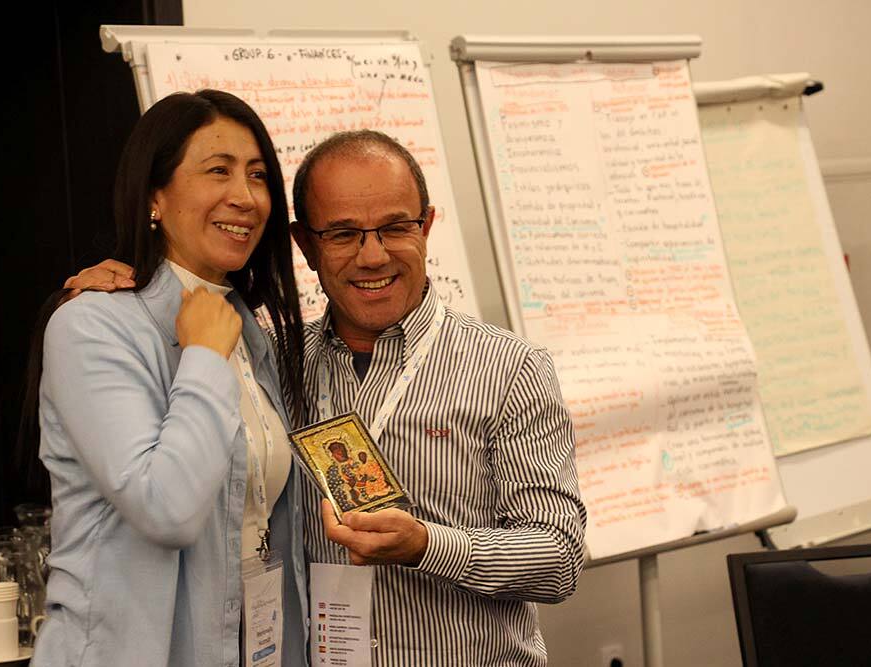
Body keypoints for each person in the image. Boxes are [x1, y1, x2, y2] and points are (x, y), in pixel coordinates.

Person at [67, 129, 586, 666]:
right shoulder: (270, 364)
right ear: (306, 245)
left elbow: (561, 557)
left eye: (395, 228)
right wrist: (123, 299)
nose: (373, 256)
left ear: (427, 226)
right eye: (342, 234)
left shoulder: (510, 368)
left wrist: (428, 545)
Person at [33, 90, 308, 667]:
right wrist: (202, 357)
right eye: (218, 171)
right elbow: (167, 508)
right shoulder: (93, 324)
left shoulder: (252, 332)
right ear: (153, 196)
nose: (245, 197)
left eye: (258, 175)